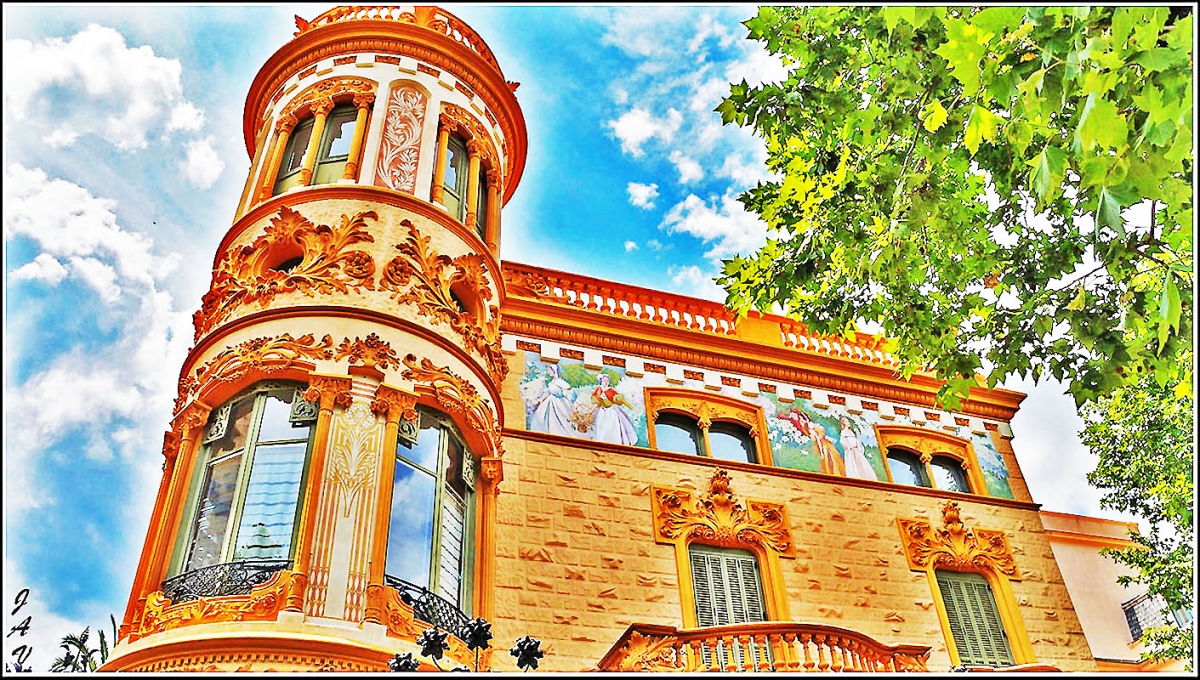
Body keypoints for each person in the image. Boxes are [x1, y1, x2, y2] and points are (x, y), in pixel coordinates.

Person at [778, 409, 846, 477]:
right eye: (800, 419)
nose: (801, 421)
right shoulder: (804, 427)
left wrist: (821, 450)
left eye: (802, 419)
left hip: (824, 446)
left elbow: (818, 439)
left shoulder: (812, 427)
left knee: (830, 460)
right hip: (816, 445)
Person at [529, 364, 576, 436]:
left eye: (549, 369)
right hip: (550, 402)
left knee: (561, 420)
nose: (548, 371)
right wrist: (540, 400)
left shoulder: (561, 382)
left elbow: (569, 394)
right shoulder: (552, 382)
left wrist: (573, 408)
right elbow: (548, 392)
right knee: (542, 416)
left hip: (560, 404)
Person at [591, 373, 637, 446]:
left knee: (612, 427)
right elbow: (596, 403)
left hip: (611, 412)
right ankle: (601, 443)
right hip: (602, 412)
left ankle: (615, 444)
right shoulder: (598, 390)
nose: (606, 382)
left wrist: (631, 407)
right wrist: (590, 413)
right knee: (601, 427)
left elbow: (621, 400)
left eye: (607, 381)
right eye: (604, 380)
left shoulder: (611, 391)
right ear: (601, 381)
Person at [839, 415, 878, 481]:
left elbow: (856, 440)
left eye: (848, 421)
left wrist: (858, 435)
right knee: (853, 465)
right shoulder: (844, 432)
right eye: (846, 421)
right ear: (843, 423)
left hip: (856, 450)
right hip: (851, 452)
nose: (848, 423)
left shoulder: (851, 432)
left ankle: (866, 477)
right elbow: (842, 441)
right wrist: (849, 447)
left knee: (862, 464)